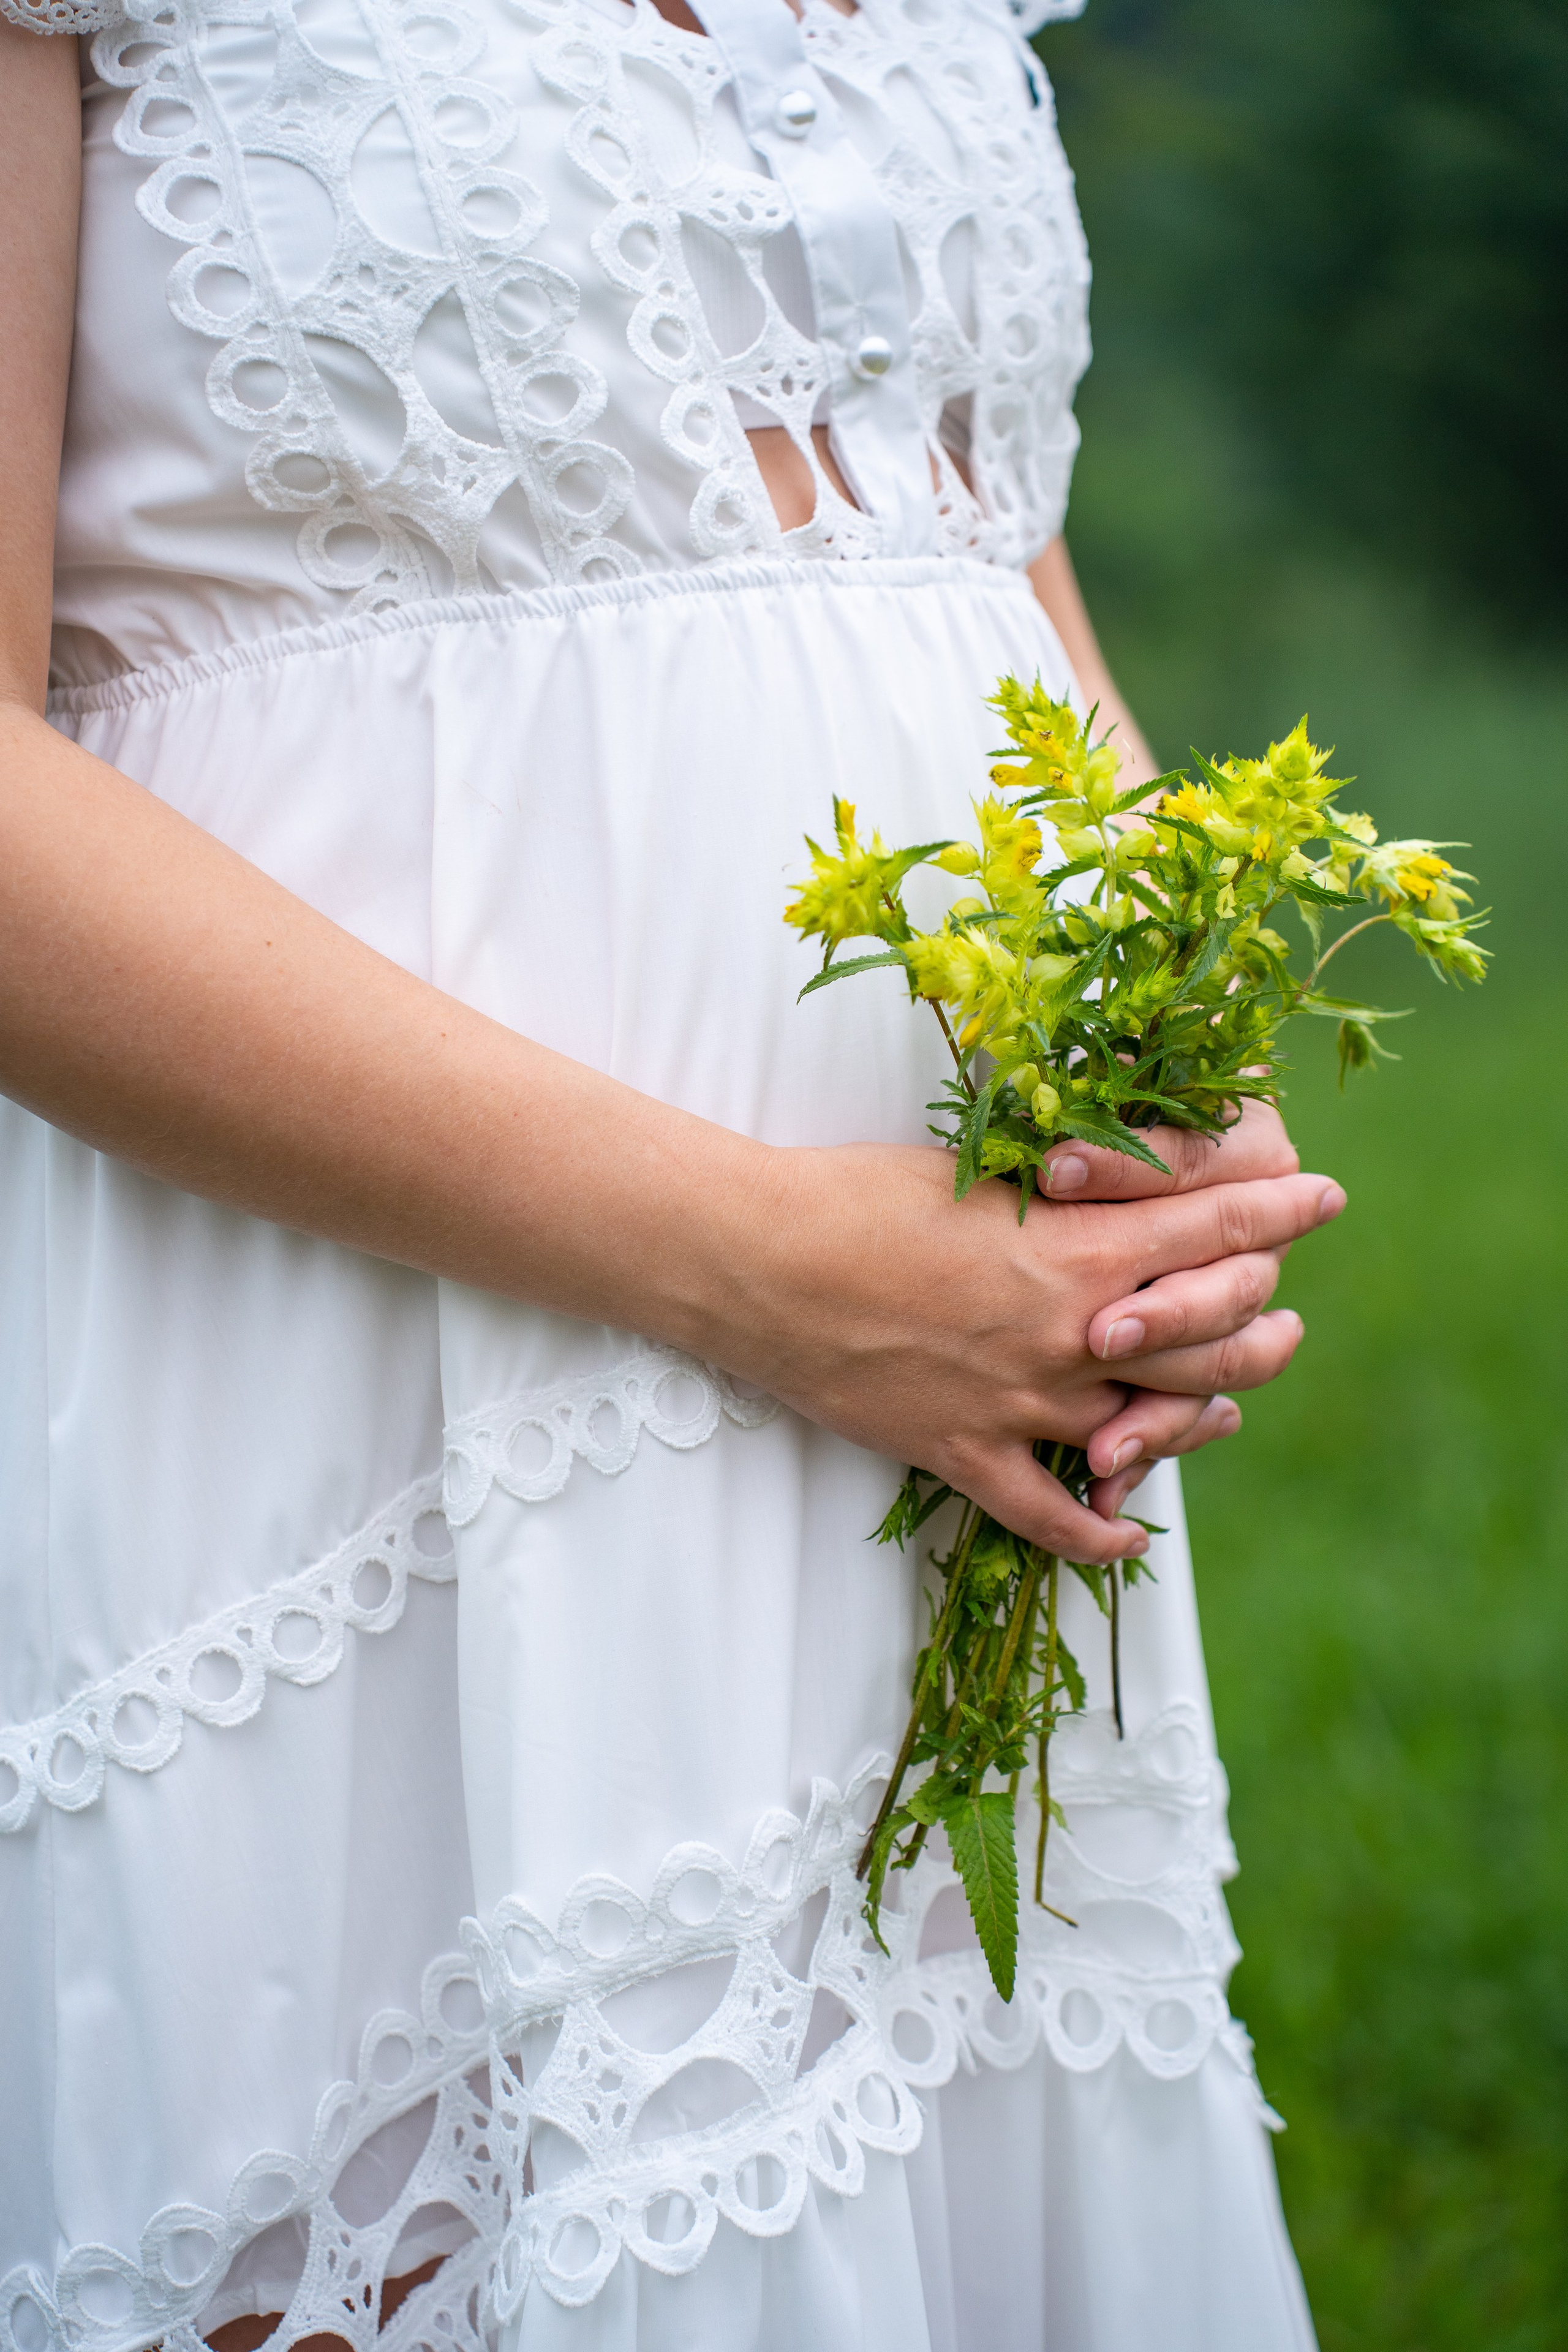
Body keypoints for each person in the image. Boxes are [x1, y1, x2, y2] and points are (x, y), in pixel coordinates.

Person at [0, 1, 1331, 2344]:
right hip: (356, 1375)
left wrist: (1167, 1038)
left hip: (937, 1393)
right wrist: (754, 1266)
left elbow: (958, 540)